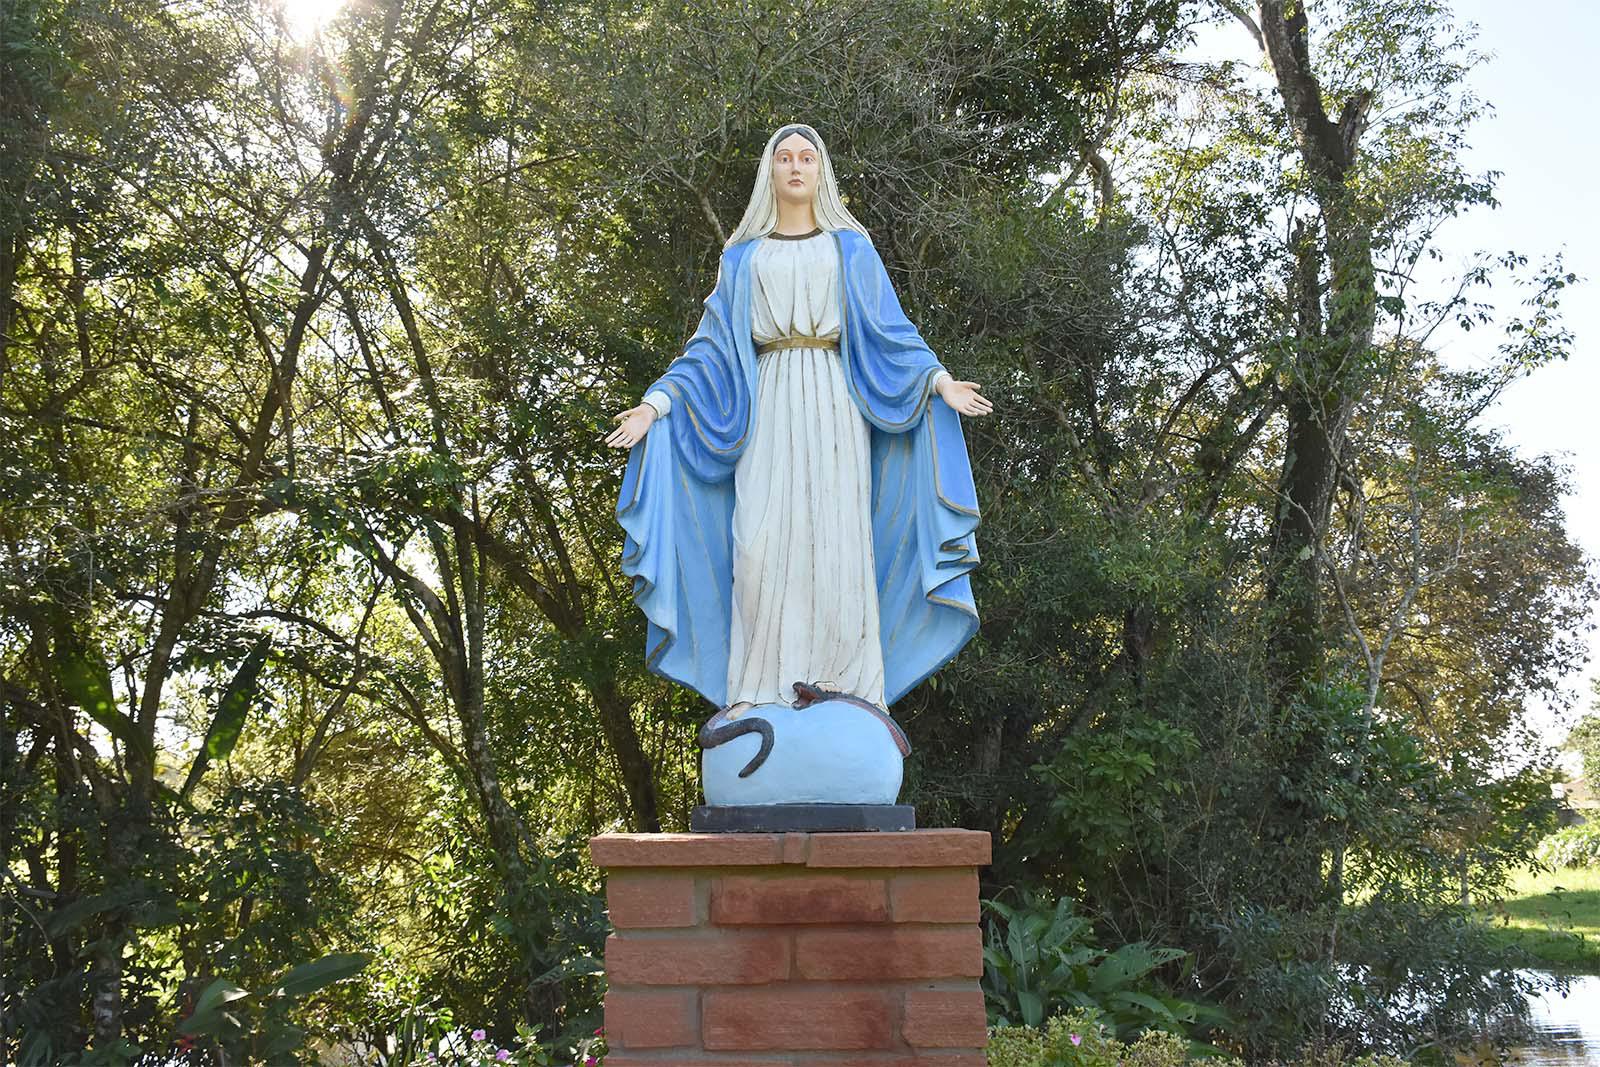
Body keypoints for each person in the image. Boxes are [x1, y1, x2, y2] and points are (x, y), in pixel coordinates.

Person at [605, 122, 991, 730]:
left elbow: (892, 332)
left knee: (837, 540)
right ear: (770, 172)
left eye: (806, 158)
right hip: (767, 402)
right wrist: (655, 405)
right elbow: (706, 352)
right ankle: (756, 686)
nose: (794, 167)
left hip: (836, 404)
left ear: (820, 172)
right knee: (757, 543)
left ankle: (848, 687)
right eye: (783, 157)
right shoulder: (743, 258)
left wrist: (939, 383)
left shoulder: (850, 249)